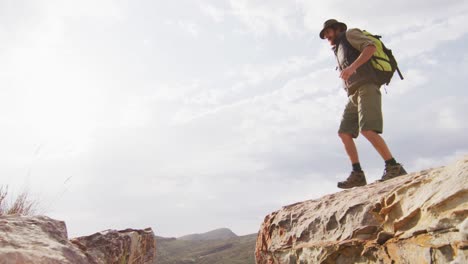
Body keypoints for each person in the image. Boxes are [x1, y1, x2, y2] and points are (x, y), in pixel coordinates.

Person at [319, 19, 407, 189]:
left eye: (328, 32)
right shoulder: (337, 49)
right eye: (324, 36)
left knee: (367, 129)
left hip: (367, 86)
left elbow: (370, 48)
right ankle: (357, 173)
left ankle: (393, 166)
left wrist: (352, 68)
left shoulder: (350, 34)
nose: (327, 37)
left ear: (337, 29)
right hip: (353, 94)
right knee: (344, 132)